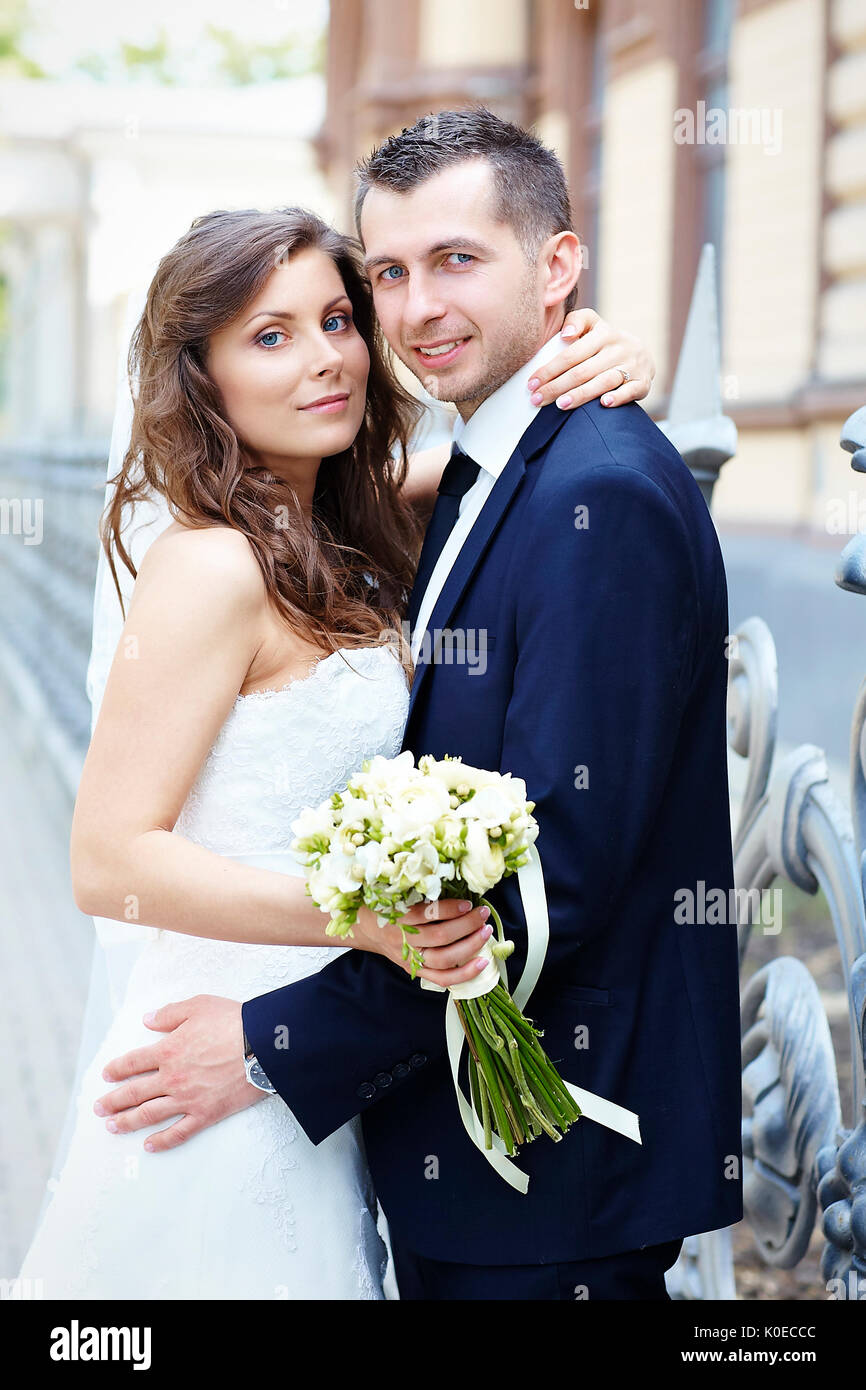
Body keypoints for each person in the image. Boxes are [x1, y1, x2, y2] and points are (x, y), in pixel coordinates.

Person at [91, 108, 743, 1302]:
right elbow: (107, 855)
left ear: (557, 268)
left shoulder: (588, 489)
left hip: (544, 1153)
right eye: (385, 274)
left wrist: (277, 1044)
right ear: (207, 373)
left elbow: (556, 871)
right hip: (370, 1102)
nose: (397, 319)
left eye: (454, 260)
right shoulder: (433, 487)